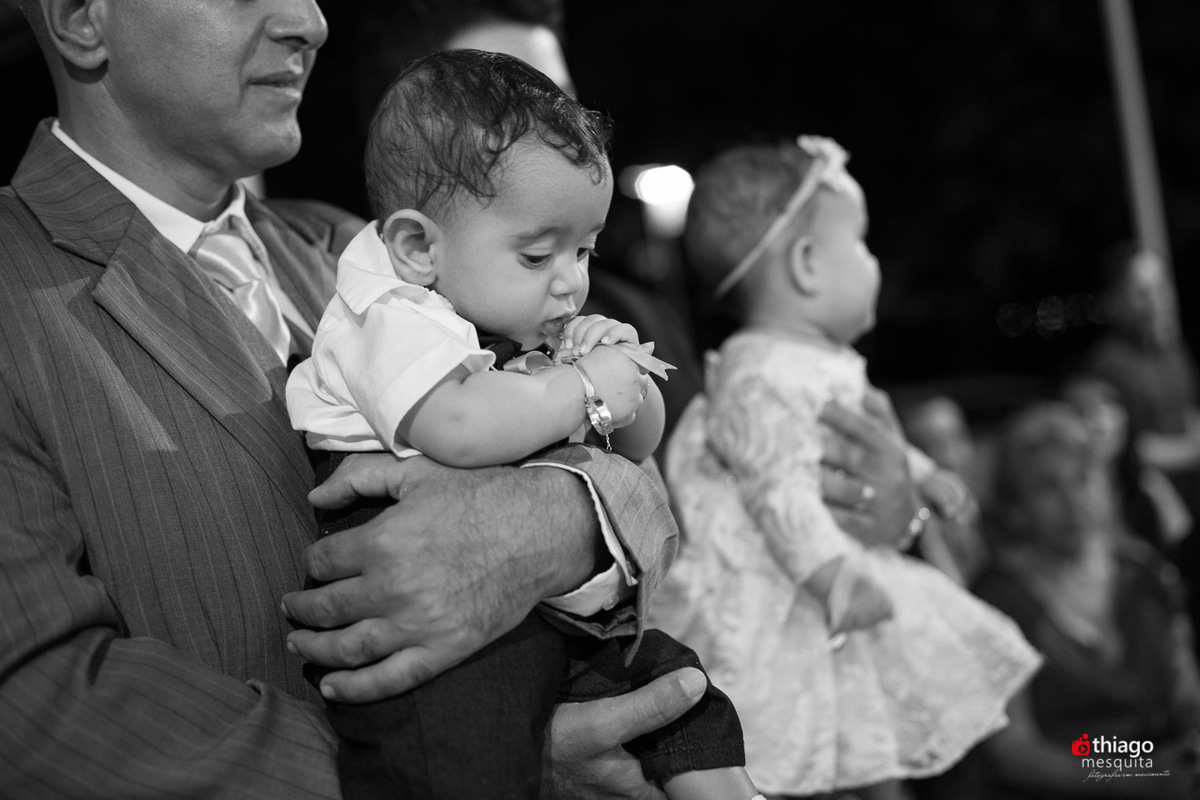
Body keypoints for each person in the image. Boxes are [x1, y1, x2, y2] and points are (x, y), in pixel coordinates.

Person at [0, 0, 715, 796]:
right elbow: (32, 699)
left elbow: (634, 455)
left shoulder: (370, 247)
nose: (310, 19)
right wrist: (471, 760)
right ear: (80, 18)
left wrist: (561, 521)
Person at [286, 49, 756, 800]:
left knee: (686, 697)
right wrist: (580, 388)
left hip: (535, 595)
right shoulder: (391, 315)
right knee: (460, 758)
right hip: (412, 574)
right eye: (538, 253)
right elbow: (462, 429)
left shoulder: (513, 314)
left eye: (585, 249)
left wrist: (620, 376)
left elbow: (637, 445)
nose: (571, 278)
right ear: (417, 247)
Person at [650, 135, 1041, 799]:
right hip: (785, 594)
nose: (873, 262)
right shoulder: (757, 373)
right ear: (807, 265)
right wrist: (833, 574)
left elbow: (861, 438)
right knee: (805, 756)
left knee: (863, 746)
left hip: (829, 592)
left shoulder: (819, 361)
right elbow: (778, 490)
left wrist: (921, 474)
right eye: (861, 243)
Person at [970, 402, 1200, 799]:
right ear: (1014, 509)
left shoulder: (1143, 572)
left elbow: (1187, 697)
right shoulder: (997, 599)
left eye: (1083, 478)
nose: (1072, 499)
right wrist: (1141, 773)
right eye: (1047, 486)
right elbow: (1015, 753)